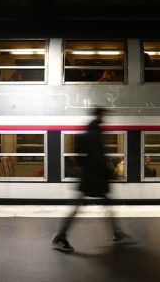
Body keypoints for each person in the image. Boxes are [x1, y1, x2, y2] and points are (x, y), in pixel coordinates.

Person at [52, 107, 129, 252]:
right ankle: (60, 237)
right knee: (86, 205)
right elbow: (98, 158)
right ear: (98, 116)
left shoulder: (87, 133)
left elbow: (80, 158)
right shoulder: (95, 135)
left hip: (89, 177)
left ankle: (117, 233)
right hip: (94, 178)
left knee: (98, 204)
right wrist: (111, 173)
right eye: (102, 116)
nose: (104, 119)